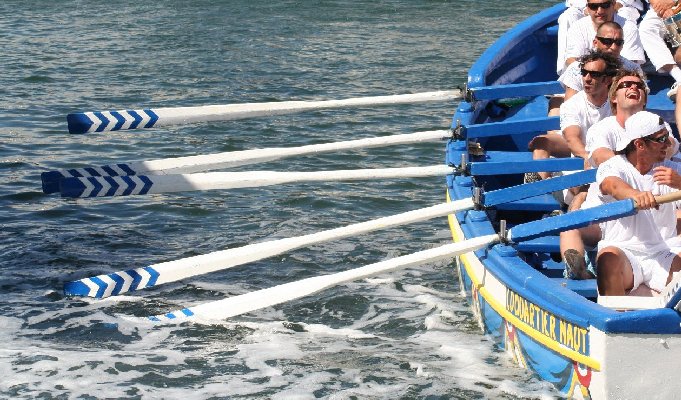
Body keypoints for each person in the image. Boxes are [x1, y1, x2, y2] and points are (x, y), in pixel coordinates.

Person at [561, 69, 649, 279]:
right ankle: (579, 271)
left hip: (647, 211)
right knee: (570, 225)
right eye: (626, 85)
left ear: (645, 99)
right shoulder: (602, 129)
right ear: (614, 97)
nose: (633, 88)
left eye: (639, 86)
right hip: (604, 213)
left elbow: (670, 149)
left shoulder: (657, 128)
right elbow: (601, 157)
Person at [595, 110, 681, 295]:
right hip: (624, 251)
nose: (668, 143)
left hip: (664, 251)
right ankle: (616, 318)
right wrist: (635, 195)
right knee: (607, 259)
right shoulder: (613, 166)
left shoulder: (672, 170)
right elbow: (612, 185)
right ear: (639, 144)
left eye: (667, 136)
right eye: (661, 139)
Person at [527, 50, 619, 182]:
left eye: (594, 74)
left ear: (607, 80)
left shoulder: (618, 102)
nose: (587, 78)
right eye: (584, 73)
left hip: (608, 153)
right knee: (541, 142)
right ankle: (542, 185)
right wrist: (588, 156)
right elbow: (572, 138)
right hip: (583, 150)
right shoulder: (571, 105)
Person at [559, 21, 643, 101]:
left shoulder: (633, 69)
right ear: (595, 42)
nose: (613, 47)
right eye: (607, 41)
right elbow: (570, 104)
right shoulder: (577, 69)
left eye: (618, 42)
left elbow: (640, 103)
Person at [564, 0, 645, 71]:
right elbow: (571, 60)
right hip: (589, 76)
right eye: (594, 6)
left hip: (620, 78)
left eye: (605, 5)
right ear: (587, 7)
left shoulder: (628, 28)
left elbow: (631, 65)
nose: (600, 11)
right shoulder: (577, 27)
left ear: (613, 4)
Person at [638, 0, 681, 100]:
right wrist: (659, 5)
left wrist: (675, 3)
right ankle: (679, 77)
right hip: (661, 8)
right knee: (646, 28)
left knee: (679, 56)